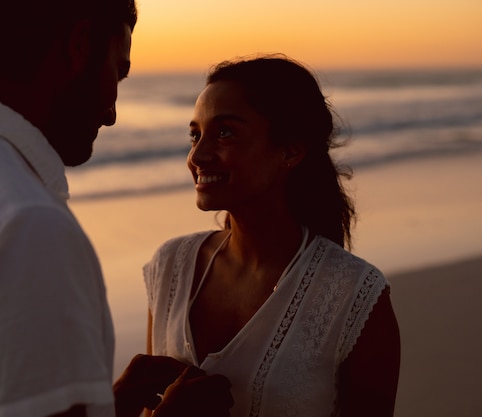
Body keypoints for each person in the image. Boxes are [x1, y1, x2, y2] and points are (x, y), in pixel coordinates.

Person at [0, 1, 233, 416]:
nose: (110, 114)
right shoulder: (27, 226)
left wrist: (108, 406)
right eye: (116, 73)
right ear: (78, 45)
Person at [143, 55, 401, 417]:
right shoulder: (170, 267)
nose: (197, 155)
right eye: (195, 134)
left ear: (291, 150)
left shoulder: (354, 296)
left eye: (225, 132)